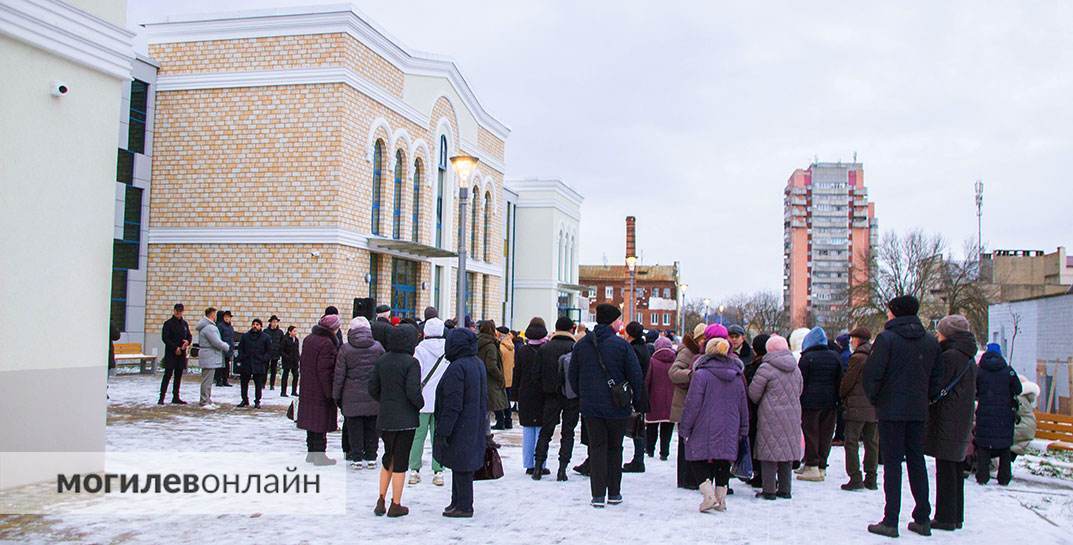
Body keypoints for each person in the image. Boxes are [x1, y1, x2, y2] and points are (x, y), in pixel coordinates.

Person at [863, 295, 944, 538]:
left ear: (895, 312)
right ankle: (922, 517)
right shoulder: (930, 342)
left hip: (891, 410)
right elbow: (936, 379)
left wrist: (878, 399)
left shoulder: (886, 340)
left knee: (892, 464)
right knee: (917, 462)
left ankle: (890, 520)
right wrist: (924, 398)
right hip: (918, 410)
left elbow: (871, 375)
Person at [569, 303, 646, 508]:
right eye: (619, 320)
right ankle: (614, 492)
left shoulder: (582, 345)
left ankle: (597, 495)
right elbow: (635, 375)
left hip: (591, 408)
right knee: (615, 448)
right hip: (617, 407)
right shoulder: (621, 346)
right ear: (612, 321)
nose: (621, 323)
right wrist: (638, 401)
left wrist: (584, 395)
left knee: (596, 448)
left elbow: (572, 376)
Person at [680, 337, 749, 513]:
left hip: (704, 422)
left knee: (696, 455)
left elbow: (693, 403)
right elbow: (743, 404)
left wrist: (685, 427)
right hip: (731, 423)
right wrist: (743, 428)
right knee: (723, 459)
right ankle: (721, 499)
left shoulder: (701, 374)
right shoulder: (737, 375)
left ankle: (708, 496)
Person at [924, 315, 977, 531]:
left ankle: (945, 517)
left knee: (945, 468)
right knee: (955, 466)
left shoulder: (950, 356)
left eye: (940, 332)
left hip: (947, 417)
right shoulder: (968, 356)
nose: (937, 335)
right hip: (961, 416)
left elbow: (937, 386)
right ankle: (955, 515)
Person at [369, 324, 423, 518]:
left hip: (385, 417)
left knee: (388, 457)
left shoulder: (382, 360)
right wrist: (419, 404)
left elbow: (372, 388)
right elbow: (413, 392)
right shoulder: (411, 363)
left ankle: (381, 499)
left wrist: (385, 401)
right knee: (401, 461)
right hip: (406, 418)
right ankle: (396, 504)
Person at [434, 327, 488, 518]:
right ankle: (457, 501)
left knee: (462, 465)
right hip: (474, 421)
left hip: (460, 424)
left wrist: (443, 430)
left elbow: (452, 402)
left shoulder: (458, 367)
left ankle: (464, 505)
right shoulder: (476, 362)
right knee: (461, 464)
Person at [748, 335, 802, 501]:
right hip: (792, 415)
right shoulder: (795, 368)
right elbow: (800, 390)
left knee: (769, 452)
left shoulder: (766, 367)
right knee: (786, 452)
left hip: (770, 415)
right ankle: (785, 489)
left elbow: (753, 394)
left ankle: (769, 490)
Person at [333, 317, 384, 468]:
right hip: (373, 395)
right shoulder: (378, 347)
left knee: (354, 428)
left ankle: (356, 457)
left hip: (351, 396)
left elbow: (339, 375)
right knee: (372, 427)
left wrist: (336, 396)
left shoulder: (345, 349)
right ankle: (371, 457)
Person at [534, 316, 578, 481]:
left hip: (550, 395)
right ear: (570, 329)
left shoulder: (545, 349)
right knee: (568, 433)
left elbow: (535, 374)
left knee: (546, 432)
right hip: (572, 397)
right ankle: (562, 469)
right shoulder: (575, 348)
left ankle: (538, 467)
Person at [796, 326, 843, 482]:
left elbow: (800, 382)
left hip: (810, 402)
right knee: (826, 434)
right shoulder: (835, 356)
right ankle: (822, 465)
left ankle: (812, 465)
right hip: (830, 402)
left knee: (811, 433)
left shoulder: (807, 358)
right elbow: (839, 381)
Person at [974, 343, 1022, 487]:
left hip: (984, 414)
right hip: (1004, 415)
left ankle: (982, 476)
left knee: (983, 445)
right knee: (1004, 447)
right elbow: (1018, 389)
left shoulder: (979, 372)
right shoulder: (1008, 371)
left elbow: (973, 390)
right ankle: (1004, 477)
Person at [297, 314, 342, 465]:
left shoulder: (310, 339)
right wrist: (330, 392)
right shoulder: (327, 343)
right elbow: (325, 370)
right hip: (320, 389)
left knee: (311, 422)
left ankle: (311, 453)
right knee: (320, 423)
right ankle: (320, 456)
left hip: (308, 386)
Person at [410, 317, 449, 486]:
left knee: (418, 436)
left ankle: (414, 469)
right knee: (438, 436)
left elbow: (416, 374)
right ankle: (438, 470)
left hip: (423, 398)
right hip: (441, 399)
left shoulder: (420, 349)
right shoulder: (448, 349)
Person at [840, 327, 879, 491]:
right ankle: (871, 478)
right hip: (874, 406)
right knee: (872, 443)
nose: (851, 342)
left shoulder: (857, 358)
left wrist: (842, 394)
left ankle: (855, 477)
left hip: (856, 407)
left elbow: (848, 381)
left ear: (858, 340)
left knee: (851, 441)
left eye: (852, 339)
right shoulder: (876, 355)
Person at [669, 322, 705, 490]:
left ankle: (690, 478)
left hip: (693, 404)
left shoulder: (699, 352)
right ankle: (685, 478)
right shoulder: (687, 351)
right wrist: (692, 375)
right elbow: (673, 372)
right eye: (703, 338)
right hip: (684, 403)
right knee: (685, 442)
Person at [512, 318, 548, 475]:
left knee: (528, 429)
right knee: (541, 429)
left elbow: (517, 373)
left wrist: (514, 394)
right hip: (543, 393)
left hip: (525, 393)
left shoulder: (522, 351)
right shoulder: (546, 350)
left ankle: (528, 464)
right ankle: (541, 462)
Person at [623, 321, 651, 473]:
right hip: (641, 391)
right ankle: (639, 458)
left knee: (635, 426)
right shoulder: (644, 348)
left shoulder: (632, 349)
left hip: (633, 391)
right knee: (639, 425)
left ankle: (638, 460)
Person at [742, 333, 769, 488]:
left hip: (757, 411)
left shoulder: (755, 368)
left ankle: (759, 474)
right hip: (778, 412)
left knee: (757, 442)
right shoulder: (789, 365)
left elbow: (752, 392)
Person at [645, 336, 676, 461]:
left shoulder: (652, 361)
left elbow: (647, 381)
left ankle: (650, 449)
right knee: (667, 429)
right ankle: (664, 452)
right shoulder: (675, 362)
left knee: (652, 427)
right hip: (671, 401)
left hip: (654, 400)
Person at [195, 307, 230, 409]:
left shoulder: (207, 326)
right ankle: (204, 401)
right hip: (209, 356)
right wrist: (226, 346)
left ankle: (207, 399)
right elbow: (216, 342)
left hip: (209, 356)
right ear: (211, 315)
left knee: (209, 380)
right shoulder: (209, 328)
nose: (216, 316)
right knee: (207, 380)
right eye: (214, 314)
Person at [159, 303, 192, 405]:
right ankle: (162, 397)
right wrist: (175, 347)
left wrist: (187, 342)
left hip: (181, 353)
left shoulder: (184, 324)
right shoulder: (168, 323)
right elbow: (165, 338)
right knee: (167, 375)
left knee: (178, 375)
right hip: (171, 353)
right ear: (174, 311)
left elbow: (189, 336)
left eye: (180, 311)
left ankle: (176, 396)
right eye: (177, 311)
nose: (178, 313)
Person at [236, 318, 272, 408]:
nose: (255, 326)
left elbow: (269, 351)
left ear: (260, 326)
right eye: (254, 324)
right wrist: (242, 357)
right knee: (244, 383)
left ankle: (257, 401)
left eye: (257, 324)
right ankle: (244, 400)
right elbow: (240, 348)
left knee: (258, 384)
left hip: (259, 363)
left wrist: (264, 359)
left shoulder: (265, 337)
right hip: (246, 363)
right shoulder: (245, 336)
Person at [1011, 375, 1040, 463]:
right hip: (1028, 429)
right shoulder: (1025, 398)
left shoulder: (1018, 398)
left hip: (1022, 429)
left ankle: (993, 463)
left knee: (998, 437)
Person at [833, 333, 852, 445]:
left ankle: (840, 436)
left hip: (843, 390)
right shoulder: (847, 354)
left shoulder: (843, 357)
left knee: (841, 413)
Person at [495, 326, 516, 430]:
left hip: (501, 376)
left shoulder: (501, 347)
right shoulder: (511, 345)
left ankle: (501, 421)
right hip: (509, 377)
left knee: (499, 400)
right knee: (507, 400)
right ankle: (508, 420)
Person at [215, 310, 236, 387]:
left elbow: (231, 338)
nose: (227, 318)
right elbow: (218, 338)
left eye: (229, 317)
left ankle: (225, 380)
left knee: (227, 365)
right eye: (226, 317)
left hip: (228, 349)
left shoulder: (230, 327)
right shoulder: (220, 326)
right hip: (222, 349)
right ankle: (218, 380)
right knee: (220, 365)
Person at [265, 315, 285, 391]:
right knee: (265, 368)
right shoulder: (266, 331)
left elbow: (282, 343)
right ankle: (263, 383)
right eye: (273, 322)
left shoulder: (280, 332)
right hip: (267, 353)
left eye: (276, 322)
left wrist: (280, 352)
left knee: (273, 370)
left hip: (275, 353)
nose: (275, 323)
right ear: (270, 322)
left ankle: (272, 385)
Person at [280, 326, 300, 397]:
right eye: (294, 331)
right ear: (289, 332)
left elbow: (297, 350)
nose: (295, 332)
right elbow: (281, 350)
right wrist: (286, 357)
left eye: (295, 331)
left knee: (296, 375)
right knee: (285, 376)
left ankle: (294, 391)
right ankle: (283, 392)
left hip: (294, 361)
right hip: (287, 361)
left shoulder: (296, 340)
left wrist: (298, 358)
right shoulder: (285, 339)